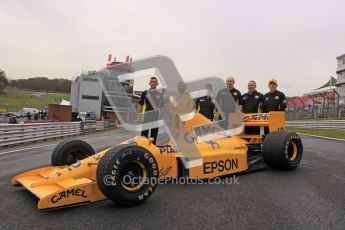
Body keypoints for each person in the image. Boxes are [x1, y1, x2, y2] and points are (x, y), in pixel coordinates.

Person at [138, 76, 163, 145]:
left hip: (155, 118)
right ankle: (143, 149)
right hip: (146, 117)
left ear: (157, 84)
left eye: (154, 82)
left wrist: (160, 117)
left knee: (153, 137)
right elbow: (141, 105)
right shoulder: (144, 93)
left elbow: (161, 107)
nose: (153, 83)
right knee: (143, 137)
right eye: (151, 82)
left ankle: (152, 151)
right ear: (149, 83)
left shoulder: (160, 94)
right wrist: (139, 116)